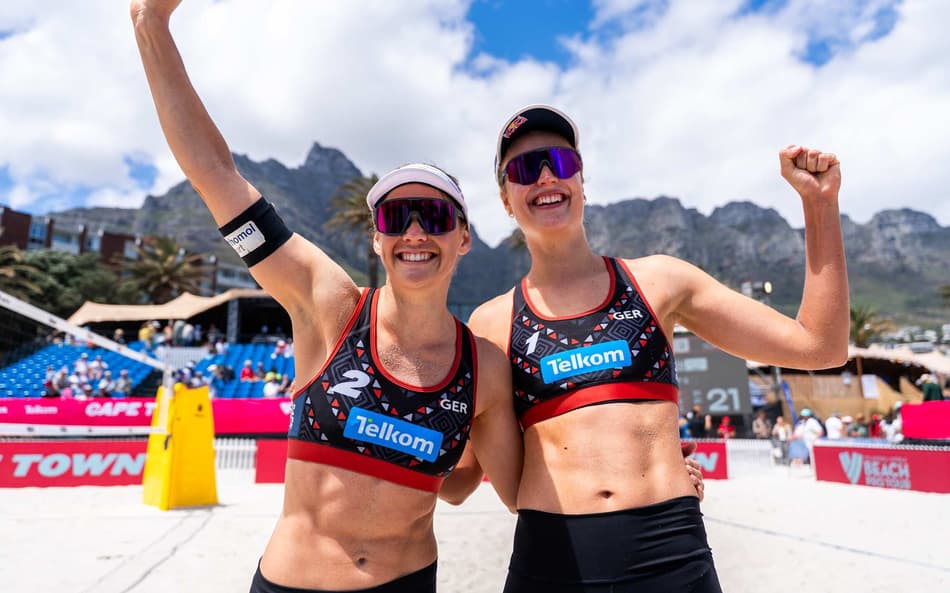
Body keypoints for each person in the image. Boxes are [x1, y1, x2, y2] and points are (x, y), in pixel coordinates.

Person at [131, 3, 525, 592]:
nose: (415, 232)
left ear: (464, 238)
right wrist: (150, 25)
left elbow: (492, 489)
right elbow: (215, 175)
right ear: (376, 238)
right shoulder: (332, 307)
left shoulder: (482, 367)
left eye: (436, 216)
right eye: (396, 217)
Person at [463, 104, 848, 592]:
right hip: (550, 556)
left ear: (581, 180)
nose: (544, 177)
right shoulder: (491, 323)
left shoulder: (659, 281)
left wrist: (820, 205)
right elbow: (498, 478)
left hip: (669, 552)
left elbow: (819, 347)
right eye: (523, 169)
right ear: (505, 198)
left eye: (559, 162)